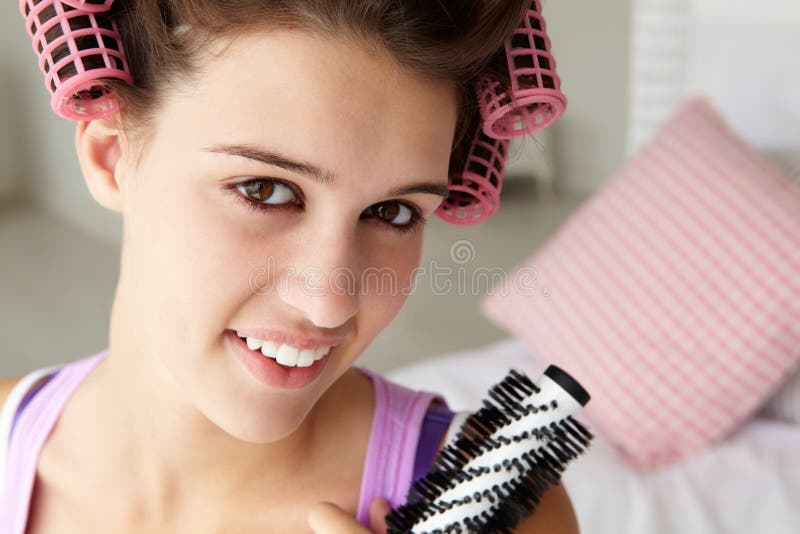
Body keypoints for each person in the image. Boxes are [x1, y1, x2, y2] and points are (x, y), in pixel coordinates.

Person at [1, 1, 580, 532]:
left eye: (392, 211)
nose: (331, 303)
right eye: (266, 190)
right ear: (112, 155)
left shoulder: (506, 513)